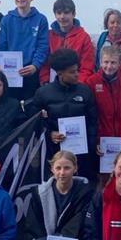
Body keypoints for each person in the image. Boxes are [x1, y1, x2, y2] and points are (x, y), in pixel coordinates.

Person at [27, 48, 98, 182]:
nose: (77, 74)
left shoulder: (85, 91)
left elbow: (93, 122)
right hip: (55, 153)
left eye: (77, 70)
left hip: (82, 155)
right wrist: (50, 134)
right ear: (60, 73)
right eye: (72, 72)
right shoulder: (43, 93)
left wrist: (91, 147)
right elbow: (34, 123)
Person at [0, 0, 49, 101]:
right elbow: (1, 45)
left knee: (31, 109)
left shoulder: (41, 19)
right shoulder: (6, 20)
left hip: (31, 72)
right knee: (11, 108)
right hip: (10, 73)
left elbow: (43, 46)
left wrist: (35, 65)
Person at [86, 45, 121, 183]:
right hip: (102, 139)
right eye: (106, 62)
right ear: (100, 62)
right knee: (103, 180)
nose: (109, 66)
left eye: (113, 62)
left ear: (119, 63)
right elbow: (92, 116)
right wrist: (96, 140)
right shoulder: (91, 82)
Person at [39, 0, 95, 84]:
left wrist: (78, 83)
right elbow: (44, 63)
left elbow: (86, 67)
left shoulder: (84, 37)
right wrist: (45, 81)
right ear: (55, 15)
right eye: (59, 13)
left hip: (76, 84)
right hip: (52, 85)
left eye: (66, 13)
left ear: (74, 14)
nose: (62, 17)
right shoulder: (48, 36)